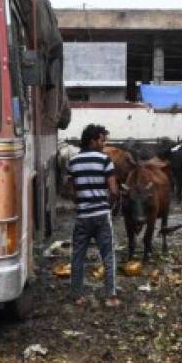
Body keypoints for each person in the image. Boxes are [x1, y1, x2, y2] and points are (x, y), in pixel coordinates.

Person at [67, 124, 121, 307]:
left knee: (77, 255)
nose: (103, 143)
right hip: (101, 215)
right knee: (108, 255)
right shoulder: (105, 160)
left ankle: (77, 296)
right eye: (101, 140)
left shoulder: (73, 162)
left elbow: (71, 192)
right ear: (93, 140)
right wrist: (109, 206)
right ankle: (111, 296)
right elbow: (113, 190)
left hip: (82, 217)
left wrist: (81, 204)